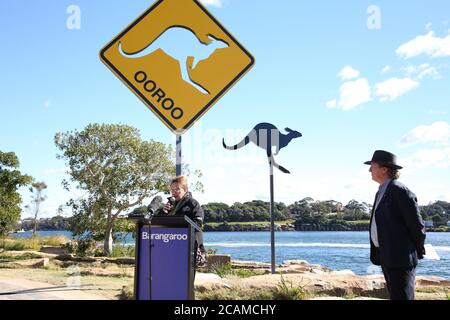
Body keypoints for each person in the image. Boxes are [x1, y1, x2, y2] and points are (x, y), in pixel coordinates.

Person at [364, 150, 426, 300]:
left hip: (401, 258)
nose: (369, 170)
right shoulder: (381, 191)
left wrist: (415, 251)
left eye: (372, 166)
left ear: (384, 169)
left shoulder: (399, 190)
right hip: (387, 256)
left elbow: (416, 225)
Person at [161, 176, 207, 268]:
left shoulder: (193, 204)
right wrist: (163, 212)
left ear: (185, 190)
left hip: (188, 246)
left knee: (186, 279)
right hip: (170, 245)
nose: (174, 192)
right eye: (172, 190)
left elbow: (198, 225)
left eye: (177, 189)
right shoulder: (169, 204)